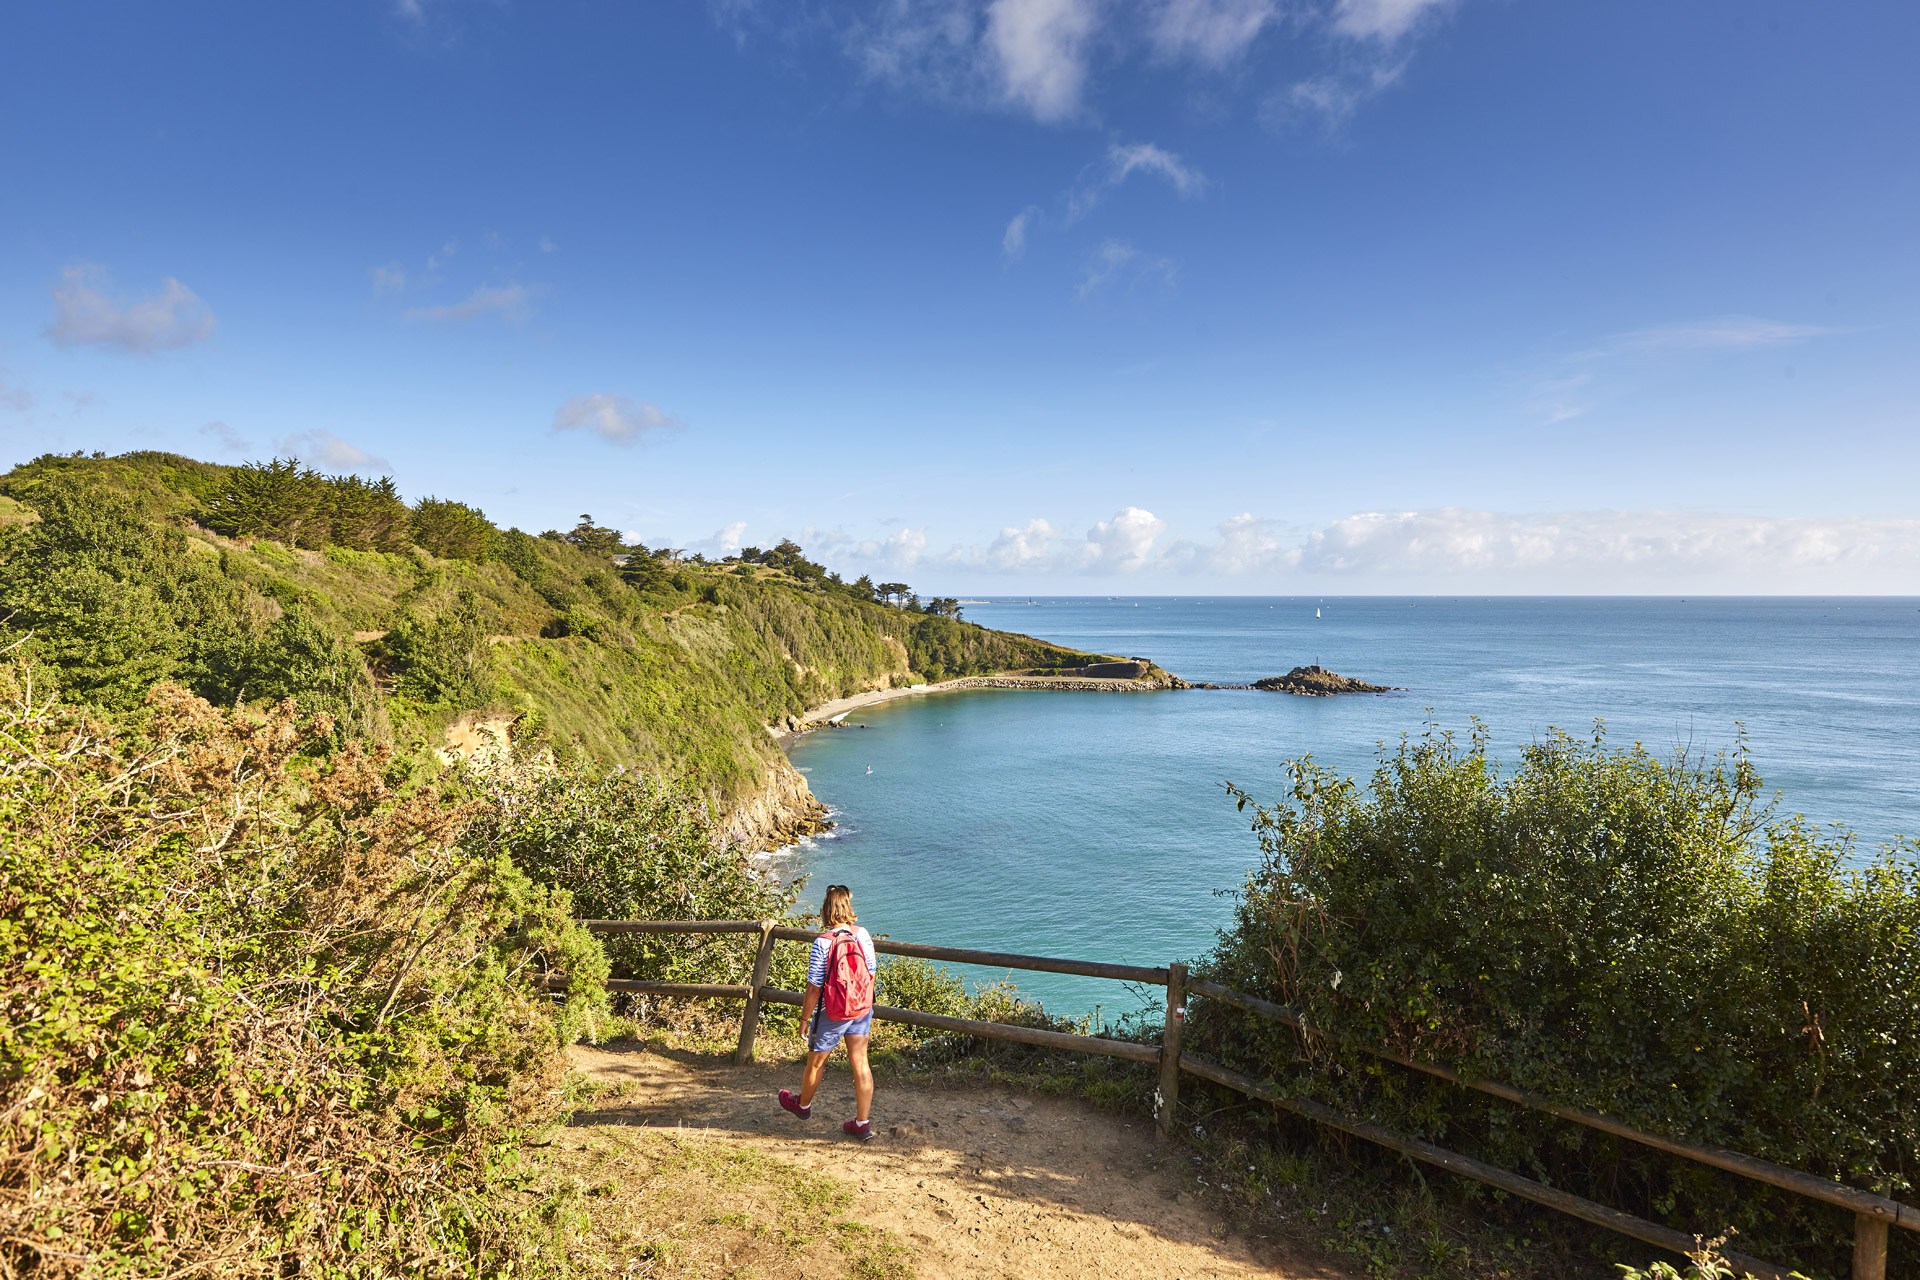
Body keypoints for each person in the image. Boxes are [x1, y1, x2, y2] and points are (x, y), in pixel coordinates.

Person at [778, 884, 877, 1138]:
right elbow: (871, 973)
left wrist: (804, 1018)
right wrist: (860, 1002)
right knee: (861, 1063)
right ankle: (862, 1123)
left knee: (816, 1063)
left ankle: (803, 1106)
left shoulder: (823, 942)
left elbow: (814, 986)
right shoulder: (861, 934)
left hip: (831, 1011)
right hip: (861, 1008)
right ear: (848, 907)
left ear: (826, 909)